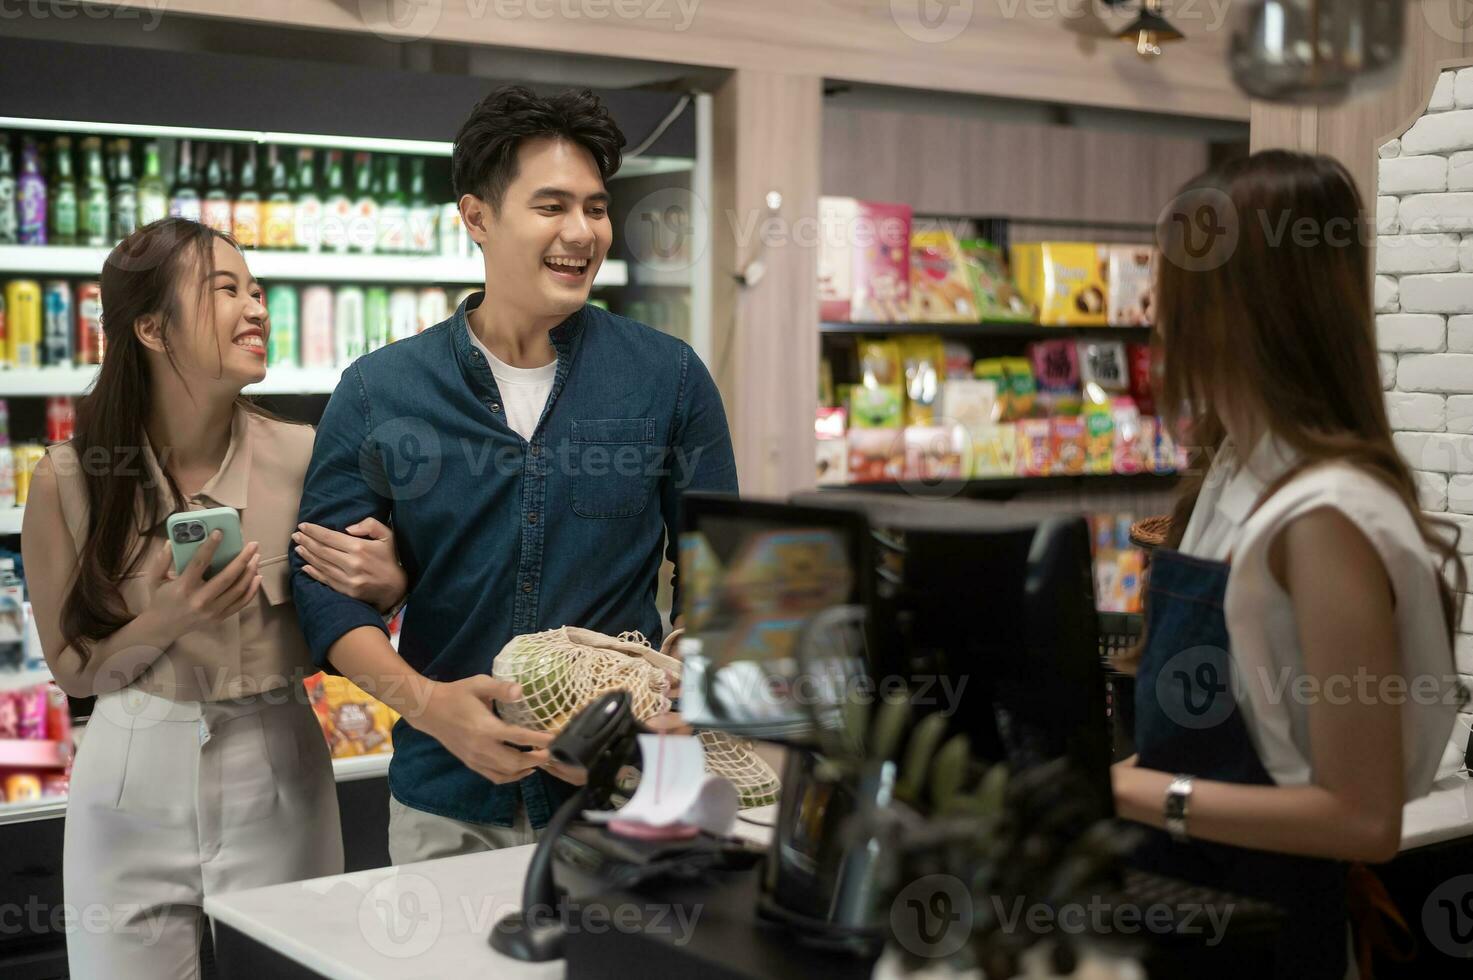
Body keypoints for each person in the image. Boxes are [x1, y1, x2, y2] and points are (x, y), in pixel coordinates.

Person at [290, 85, 737, 864]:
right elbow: (321, 595)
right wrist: (430, 706)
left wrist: (691, 683)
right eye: (551, 206)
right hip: (447, 794)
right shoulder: (380, 389)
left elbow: (725, 568)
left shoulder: (667, 377)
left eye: (596, 209)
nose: (581, 233)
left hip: (626, 791)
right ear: (477, 217)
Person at [23, 217, 409, 980]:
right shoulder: (67, 479)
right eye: (225, 289)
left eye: (256, 289)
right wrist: (171, 616)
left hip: (278, 758)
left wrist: (391, 584)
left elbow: (355, 613)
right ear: (151, 329)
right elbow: (75, 675)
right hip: (128, 771)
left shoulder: (307, 457)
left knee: (292, 968)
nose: (257, 307)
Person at [1112, 151, 1466, 979]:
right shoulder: (1231, 471)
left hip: (1264, 938)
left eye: (1175, 282)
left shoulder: (1328, 514)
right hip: (1187, 913)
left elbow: (1362, 817)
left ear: (1239, 305)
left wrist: (1132, 795)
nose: (1154, 309)